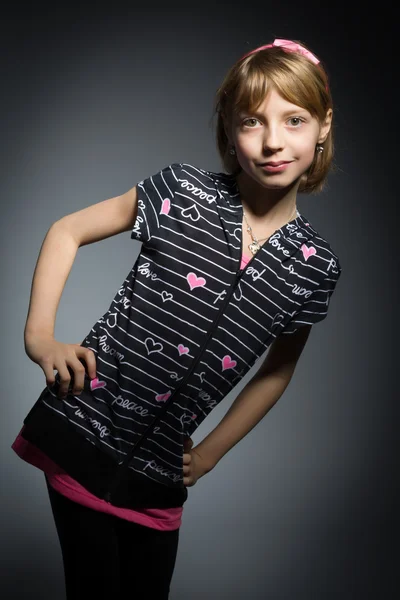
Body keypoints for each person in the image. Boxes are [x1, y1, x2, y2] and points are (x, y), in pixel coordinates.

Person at [11, 38, 342, 598]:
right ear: (229, 133)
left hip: (159, 474)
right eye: (251, 122)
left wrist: (210, 454)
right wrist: (40, 338)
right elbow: (67, 230)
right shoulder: (179, 192)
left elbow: (278, 370)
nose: (272, 141)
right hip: (83, 431)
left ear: (323, 126)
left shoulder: (316, 266)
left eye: (294, 119)